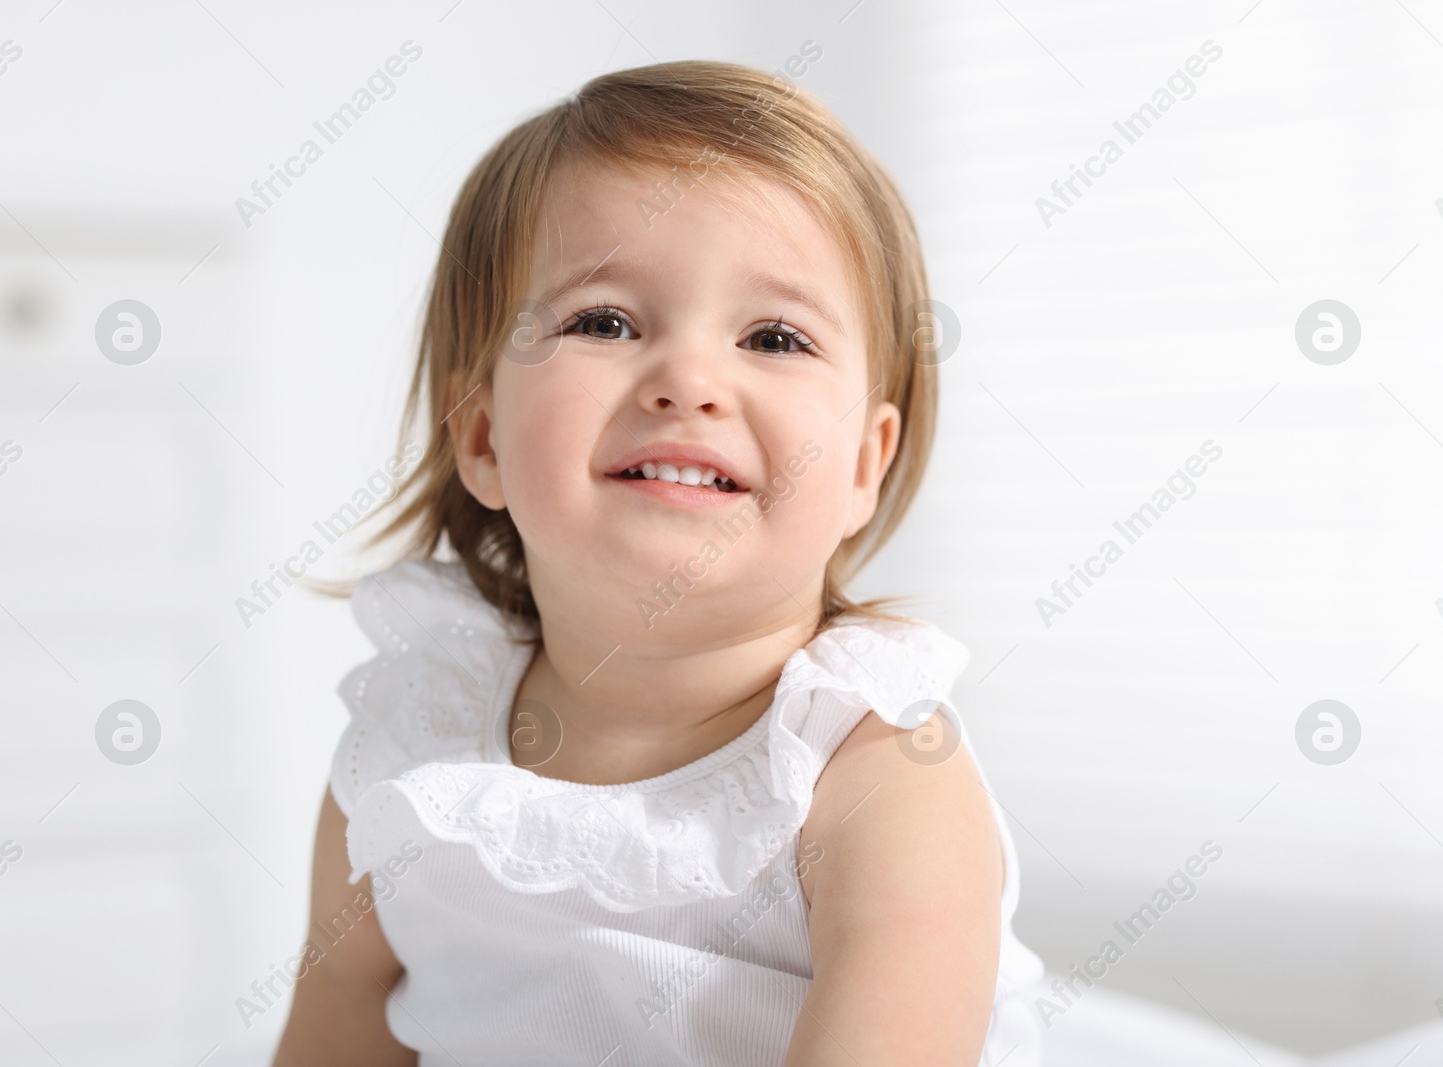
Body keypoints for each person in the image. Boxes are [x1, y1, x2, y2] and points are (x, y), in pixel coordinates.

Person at [273, 57, 1046, 1066]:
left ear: (862, 466)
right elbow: (336, 1015)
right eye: (604, 322)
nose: (688, 379)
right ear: (484, 440)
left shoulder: (872, 772)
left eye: (772, 336)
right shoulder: (412, 751)